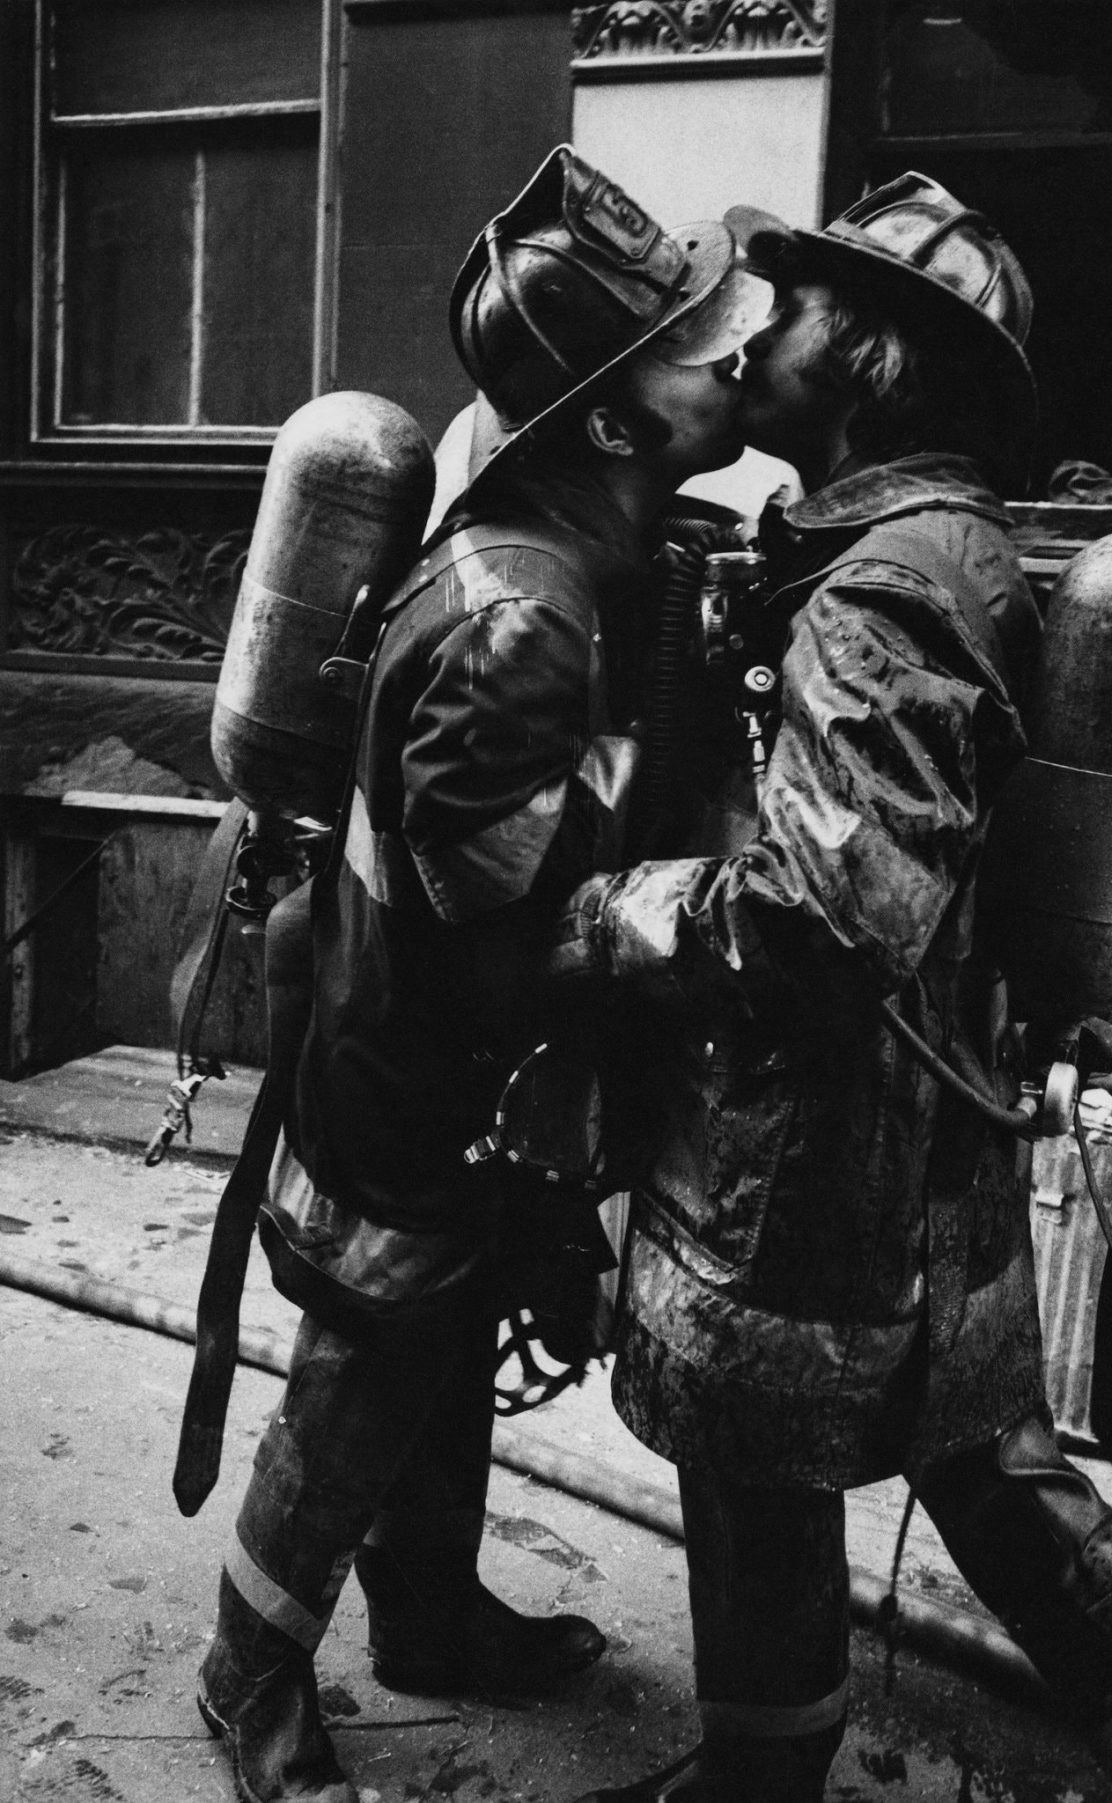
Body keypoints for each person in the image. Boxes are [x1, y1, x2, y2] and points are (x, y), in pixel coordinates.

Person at [549, 173, 1112, 1803]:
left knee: (758, 1467)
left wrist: (610, 914)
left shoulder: (878, 599)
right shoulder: (940, 545)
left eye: (799, 305)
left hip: (813, 1158)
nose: (758, 327)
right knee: (981, 1451)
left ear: (876, 359)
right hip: (932, 1142)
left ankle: (758, 1781)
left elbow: (823, 927)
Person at [196, 145, 773, 1803]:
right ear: (615, 423)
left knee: (442, 1353)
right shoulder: (527, 616)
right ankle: (247, 1676)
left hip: (447, 1061)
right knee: (365, 1376)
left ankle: (428, 1617)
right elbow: (480, 901)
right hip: (418, 1071)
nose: (737, 359)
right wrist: (696, 902)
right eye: (699, 351)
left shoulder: (574, 562)